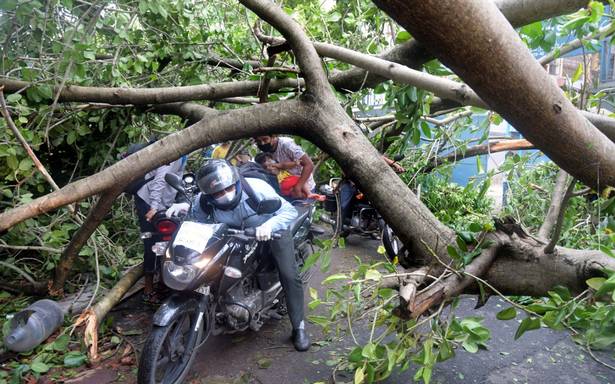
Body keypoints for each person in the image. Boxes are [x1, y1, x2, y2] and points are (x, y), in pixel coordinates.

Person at [167, 159, 311, 351]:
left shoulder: (256, 188)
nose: (225, 195)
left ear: (235, 183)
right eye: (218, 193)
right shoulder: (204, 201)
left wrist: (268, 226)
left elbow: (288, 211)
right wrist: (183, 207)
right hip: (233, 235)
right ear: (209, 195)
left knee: (289, 274)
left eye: (228, 189)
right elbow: (197, 221)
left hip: (270, 230)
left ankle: (298, 327)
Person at [123, 143, 186, 304]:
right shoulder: (175, 151)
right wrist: (154, 207)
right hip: (149, 201)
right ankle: (148, 289)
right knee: (151, 242)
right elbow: (160, 179)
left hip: (159, 202)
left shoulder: (184, 152)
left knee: (165, 242)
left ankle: (163, 283)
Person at [254, 153, 325, 201]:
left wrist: (295, 163)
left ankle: (311, 195)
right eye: (266, 167)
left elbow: (285, 165)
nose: (270, 167)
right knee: (298, 181)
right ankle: (309, 194)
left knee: (299, 184)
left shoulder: (279, 165)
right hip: (285, 186)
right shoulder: (268, 176)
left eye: (270, 163)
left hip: (289, 186)